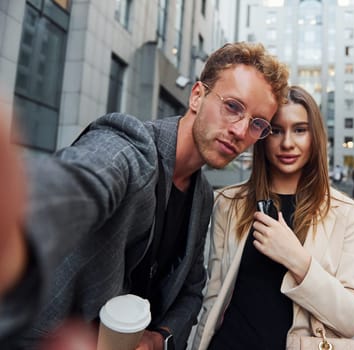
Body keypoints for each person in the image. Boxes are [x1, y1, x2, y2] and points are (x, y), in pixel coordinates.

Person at [0, 42, 289, 350]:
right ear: (196, 96)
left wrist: (160, 337)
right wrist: (18, 225)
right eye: (232, 106)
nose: (241, 130)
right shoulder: (130, 145)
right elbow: (81, 180)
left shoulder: (203, 195)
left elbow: (192, 290)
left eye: (258, 123)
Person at [192, 86, 354, 350]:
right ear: (262, 136)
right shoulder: (228, 203)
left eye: (300, 130)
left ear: (314, 136)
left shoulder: (342, 212)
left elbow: (352, 321)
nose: (287, 143)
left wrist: (297, 260)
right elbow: (213, 300)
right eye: (275, 130)